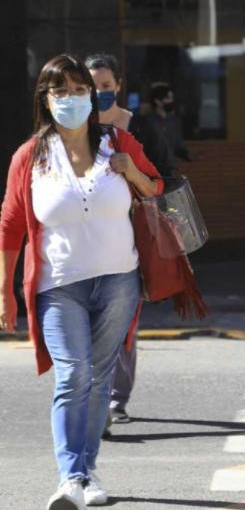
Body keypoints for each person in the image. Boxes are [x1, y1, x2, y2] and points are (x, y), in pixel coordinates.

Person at [0, 54, 163, 509]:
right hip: (59, 286)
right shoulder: (30, 156)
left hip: (118, 280)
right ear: (45, 100)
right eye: (60, 91)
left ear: (92, 96)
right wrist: (5, 291)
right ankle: (70, 476)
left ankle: (88, 474)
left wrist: (131, 170)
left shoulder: (118, 140)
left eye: (78, 90)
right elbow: (11, 224)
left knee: (98, 377)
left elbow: (155, 187)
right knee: (73, 374)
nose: (71, 99)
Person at [85, 53, 177, 428]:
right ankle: (93, 395)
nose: (98, 94)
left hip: (132, 237)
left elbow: (166, 179)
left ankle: (114, 398)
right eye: (91, 88)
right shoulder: (72, 129)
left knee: (122, 320)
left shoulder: (141, 129)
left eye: (105, 87)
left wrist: (133, 172)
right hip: (85, 238)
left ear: (118, 87)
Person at [147, 83, 192, 161]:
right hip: (152, 167)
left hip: (170, 168)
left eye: (172, 98)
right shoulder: (148, 122)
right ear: (157, 101)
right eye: (168, 98)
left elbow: (178, 145)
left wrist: (186, 154)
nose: (171, 101)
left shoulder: (175, 121)